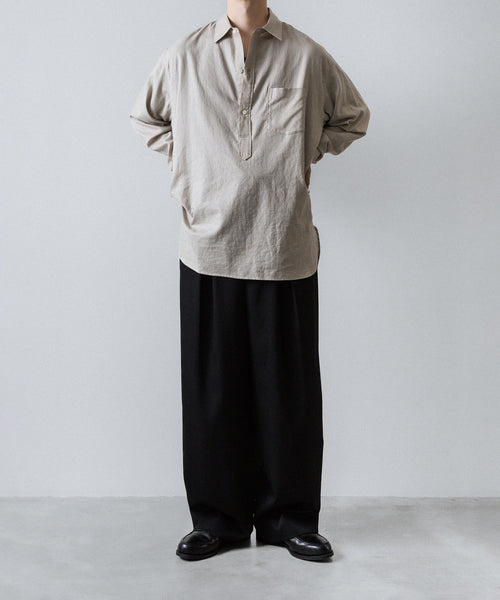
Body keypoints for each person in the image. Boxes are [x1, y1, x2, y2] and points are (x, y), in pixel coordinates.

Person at [129, 0, 370, 562]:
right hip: (208, 243)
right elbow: (146, 117)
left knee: (288, 393)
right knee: (213, 393)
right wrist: (189, 161)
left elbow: (353, 116)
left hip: (282, 245)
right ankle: (219, 521)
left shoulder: (305, 55)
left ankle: (291, 519)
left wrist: (309, 149)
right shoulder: (184, 56)